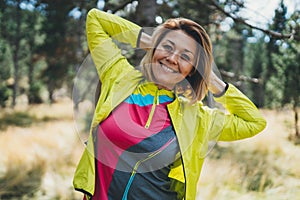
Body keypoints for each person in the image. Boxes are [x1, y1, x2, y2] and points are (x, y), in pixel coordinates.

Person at [73, 8, 267, 200]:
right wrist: (151, 41)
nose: (172, 58)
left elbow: (254, 122)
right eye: (168, 47)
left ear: (192, 69)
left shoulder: (196, 117)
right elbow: (95, 20)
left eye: (185, 57)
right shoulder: (119, 77)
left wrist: (213, 81)